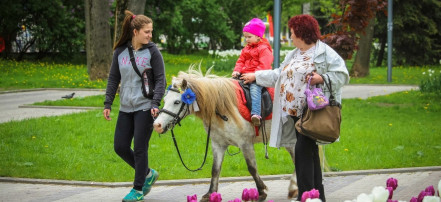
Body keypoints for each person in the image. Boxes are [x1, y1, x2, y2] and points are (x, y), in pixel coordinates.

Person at [241, 14, 349, 201]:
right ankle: (316, 196)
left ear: (302, 33)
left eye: (292, 33)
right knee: (310, 153)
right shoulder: (294, 54)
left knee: (302, 152)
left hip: (312, 112)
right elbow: (278, 74)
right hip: (293, 113)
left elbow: (342, 75)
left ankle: (306, 196)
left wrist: (322, 78)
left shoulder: (323, 52)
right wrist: (255, 76)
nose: (290, 37)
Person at [103, 10, 166, 202]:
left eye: (151, 31)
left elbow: (161, 80)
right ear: (135, 31)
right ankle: (147, 173)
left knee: (140, 148)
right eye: (147, 31)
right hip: (125, 107)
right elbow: (114, 78)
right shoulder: (120, 52)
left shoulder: (153, 51)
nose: (150, 35)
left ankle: (138, 189)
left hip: (145, 107)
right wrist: (108, 103)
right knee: (120, 146)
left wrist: (155, 102)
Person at [232, 18, 273, 126]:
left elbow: (265, 65)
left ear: (258, 36)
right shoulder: (246, 49)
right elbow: (241, 61)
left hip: (258, 77)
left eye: (249, 37)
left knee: (255, 90)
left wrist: (255, 75)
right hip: (245, 75)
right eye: (245, 37)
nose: (247, 39)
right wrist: (237, 71)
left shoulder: (264, 49)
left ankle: (256, 114)